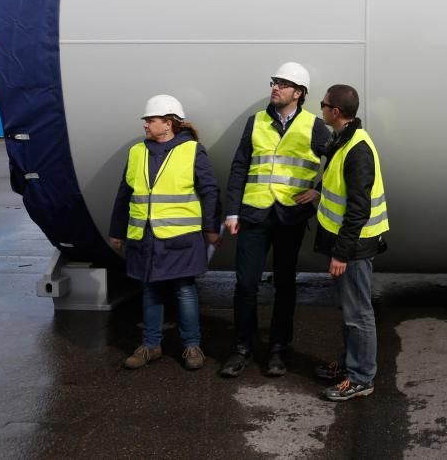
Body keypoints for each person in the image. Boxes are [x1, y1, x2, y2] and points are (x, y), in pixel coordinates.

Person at [219, 62, 330, 378]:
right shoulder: (254, 123)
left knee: (285, 285)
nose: (275, 88)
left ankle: (279, 348)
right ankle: (242, 347)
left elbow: (338, 161)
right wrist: (232, 211)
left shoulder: (314, 125)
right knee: (245, 284)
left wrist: (318, 191)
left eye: (283, 84)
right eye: (274, 82)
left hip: (290, 216)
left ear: (299, 93)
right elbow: (240, 166)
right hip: (254, 215)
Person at [108, 95, 221, 370]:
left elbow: (209, 191)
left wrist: (211, 228)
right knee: (151, 290)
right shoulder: (137, 152)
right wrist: (117, 230)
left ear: (168, 123)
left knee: (184, 290)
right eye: (146, 120)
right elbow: (124, 194)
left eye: (151, 120)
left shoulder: (193, 150)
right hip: (146, 238)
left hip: (181, 238)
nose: (146, 125)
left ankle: (192, 346)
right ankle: (150, 345)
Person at [313, 84, 389, 401]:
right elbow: (339, 185)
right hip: (346, 245)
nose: (321, 108)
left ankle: (360, 378)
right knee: (349, 311)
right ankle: (349, 365)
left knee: (358, 313)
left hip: (355, 248)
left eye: (323, 103)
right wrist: (317, 193)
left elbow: (359, 208)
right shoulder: (344, 139)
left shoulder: (357, 148)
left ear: (336, 112)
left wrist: (341, 254)